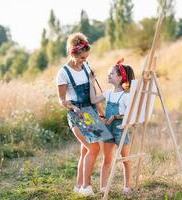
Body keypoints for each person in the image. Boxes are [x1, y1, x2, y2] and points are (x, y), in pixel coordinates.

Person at [56, 32, 103, 196]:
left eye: (86, 57)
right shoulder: (63, 73)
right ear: (72, 53)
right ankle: (87, 187)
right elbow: (61, 100)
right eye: (82, 58)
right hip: (77, 115)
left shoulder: (86, 67)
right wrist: (74, 109)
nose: (85, 61)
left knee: (85, 150)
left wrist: (101, 111)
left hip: (91, 112)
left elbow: (93, 90)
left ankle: (78, 186)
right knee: (93, 148)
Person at [90, 58, 135, 195]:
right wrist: (91, 83)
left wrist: (114, 117)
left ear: (120, 77)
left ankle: (127, 186)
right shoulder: (108, 93)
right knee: (107, 159)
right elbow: (93, 100)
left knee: (125, 159)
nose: (108, 75)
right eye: (109, 73)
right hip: (108, 130)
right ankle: (103, 187)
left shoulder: (126, 95)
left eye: (112, 73)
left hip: (120, 130)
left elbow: (128, 115)